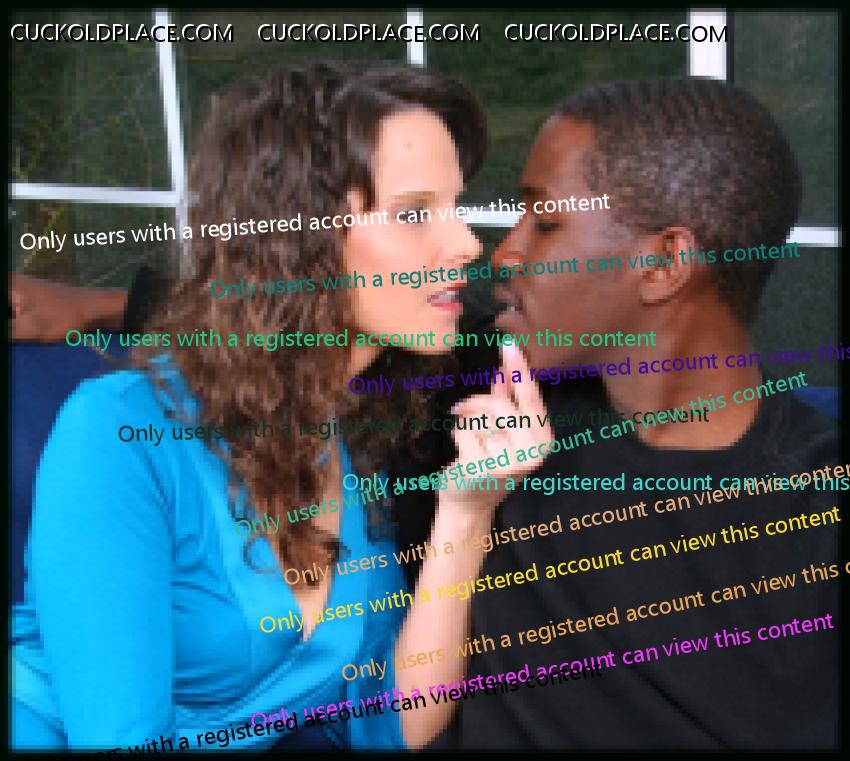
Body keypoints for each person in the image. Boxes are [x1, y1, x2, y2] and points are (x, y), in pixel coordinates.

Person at [10, 62, 550, 751]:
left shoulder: (352, 433)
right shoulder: (119, 431)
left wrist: (467, 511)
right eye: (415, 213)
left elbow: (391, 725)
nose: (468, 243)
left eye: (455, 205)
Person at [441, 77, 840, 749]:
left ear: (663, 264)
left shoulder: (816, 517)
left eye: (545, 223)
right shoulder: (485, 391)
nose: (504, 252)